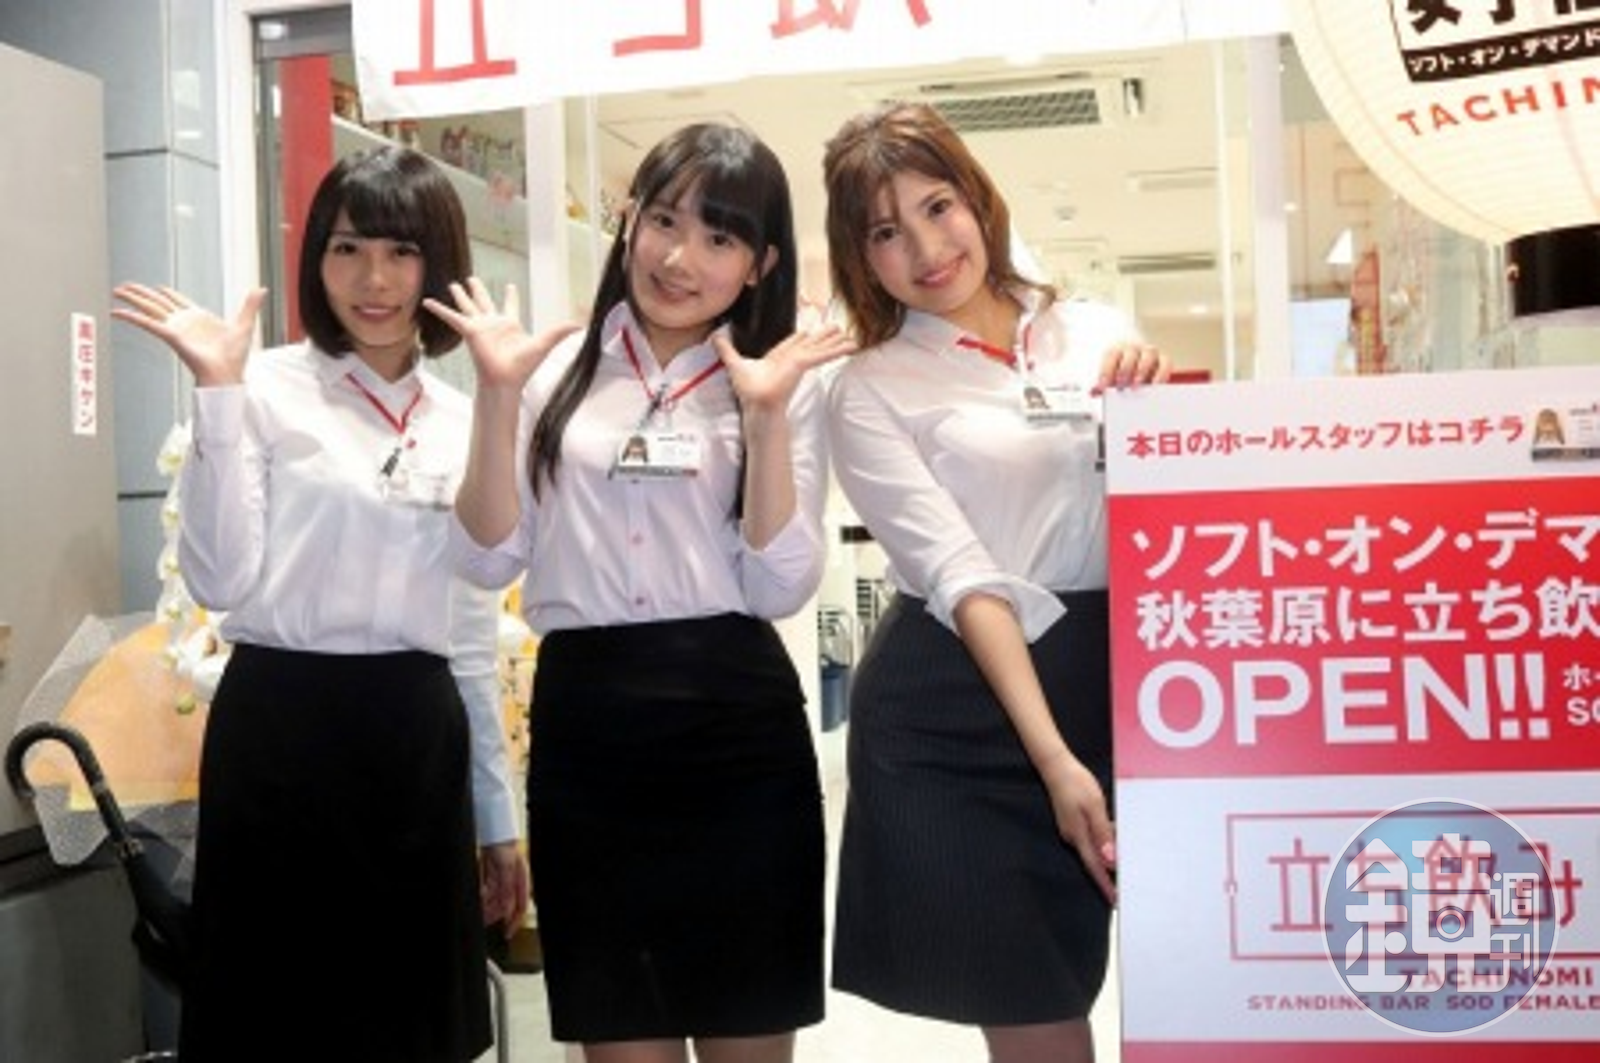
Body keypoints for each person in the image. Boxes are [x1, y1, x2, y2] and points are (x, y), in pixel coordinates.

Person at [428, 123, 855, 1063]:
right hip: (591, 733)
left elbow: (778, 585)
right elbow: (486, 559)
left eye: (718, 237)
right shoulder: (550, 370)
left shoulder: (781, 381)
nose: (678, 258)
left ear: (760, 263)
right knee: (621, 1036)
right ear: (628, 223)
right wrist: (496, 393)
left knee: (748, 1033)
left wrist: (765, 416)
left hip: (738, 732)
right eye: (663, 221)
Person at [109, 145, 528, 1063]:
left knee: (410, 1027)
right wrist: (217, 391)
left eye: (401, 251)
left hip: (415, 740)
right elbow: (219, 582)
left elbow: (469, 637)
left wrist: (497, 818)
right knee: (273, 1021)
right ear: (316, 259)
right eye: (347, 249)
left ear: (438, 262)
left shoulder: (466, 418)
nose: (374, 280)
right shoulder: (258, 385)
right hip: (280, 732)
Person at [820, 102, 1170, 1063]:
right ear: (861, 258)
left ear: (977, 198)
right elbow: (963, 575)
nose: (927, 249)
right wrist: (1053, 759)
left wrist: (1154, 409)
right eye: (886, 232)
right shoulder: (871, 387)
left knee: (1161, 970)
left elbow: (1165, 511)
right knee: (1039, 1012)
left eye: (938, 207)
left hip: (1118, 683)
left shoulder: (1094, 330)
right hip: (960, 707)